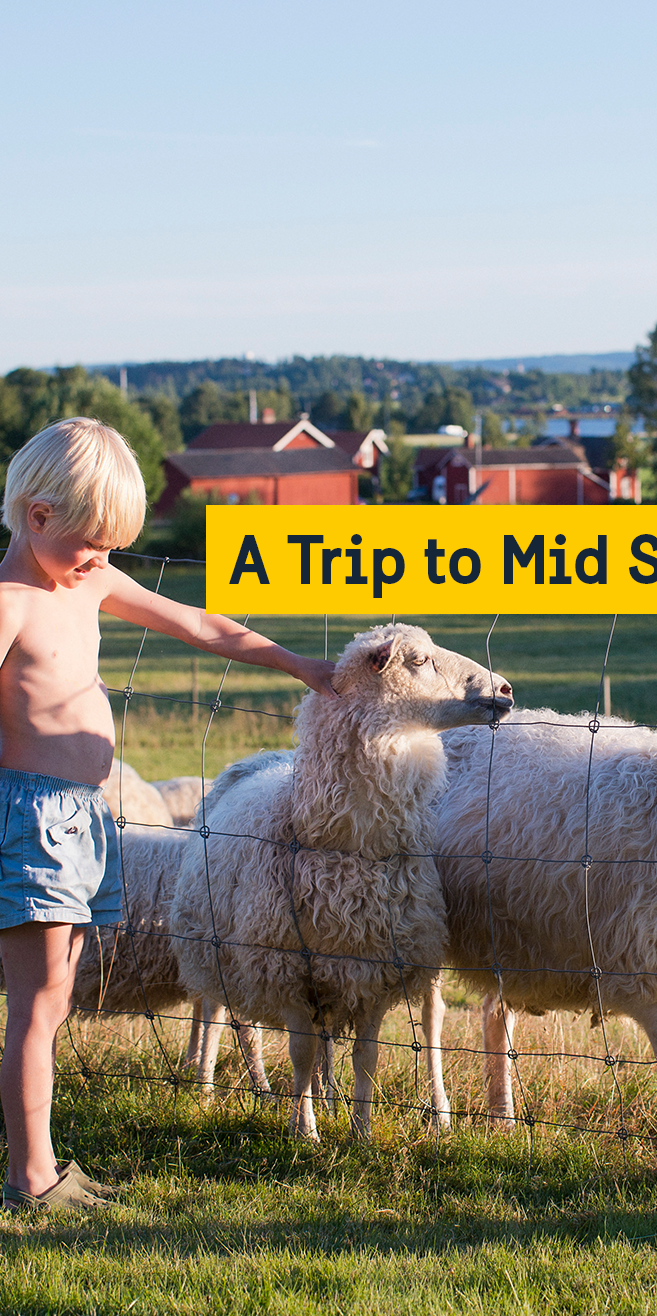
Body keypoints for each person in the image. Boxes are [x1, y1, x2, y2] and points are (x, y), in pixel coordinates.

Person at [0, 417, 337, 1212]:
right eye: (91, 544)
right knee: (40, 1001)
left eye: (112, 550)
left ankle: (43, 1165)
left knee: (59, 993)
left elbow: (198, 624)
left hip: (82, 818)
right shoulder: (11, 603)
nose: (101, 563)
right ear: (38, 516)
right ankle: (32, 1178)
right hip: (29, 819)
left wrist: (296, 665)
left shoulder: (84, 581)